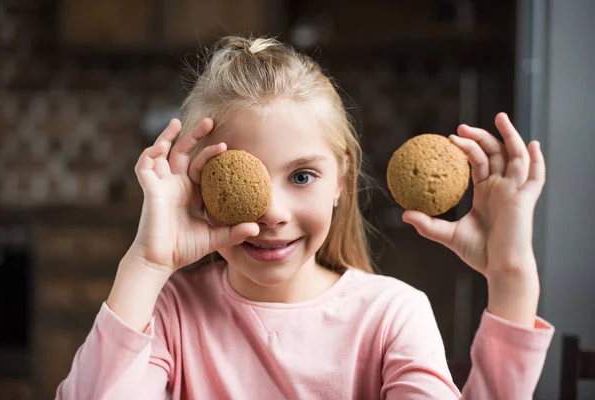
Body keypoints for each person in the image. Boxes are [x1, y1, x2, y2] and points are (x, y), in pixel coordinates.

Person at [56, 36, 554, 400]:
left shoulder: (391, 316)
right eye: (242, 177)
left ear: (341, 178)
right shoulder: (169, 315)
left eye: (301, 177)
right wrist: (146, 264)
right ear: (198, 186)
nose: (272, 212)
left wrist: (511, 280)